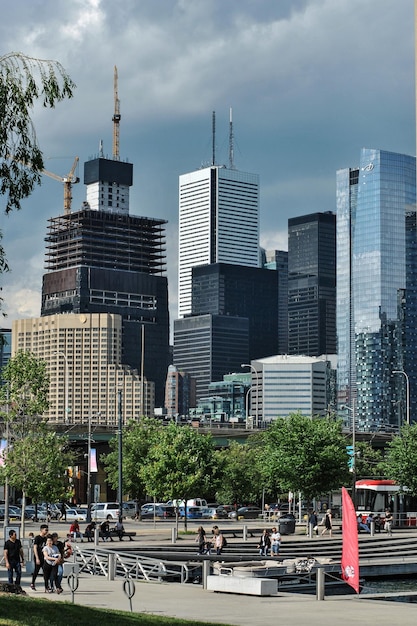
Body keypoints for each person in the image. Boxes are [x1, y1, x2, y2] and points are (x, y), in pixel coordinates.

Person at [31, 524, 49, 591]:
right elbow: (35, 548)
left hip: (44, 557)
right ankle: (32, 583)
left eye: (47, 530)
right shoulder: (37, 538)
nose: (47, 531)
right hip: (38, 556)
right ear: (41, 530)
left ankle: (46, 586)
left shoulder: (46, 538)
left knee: (45, 571)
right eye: (46, 530)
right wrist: (37, 558)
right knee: (36, 570)